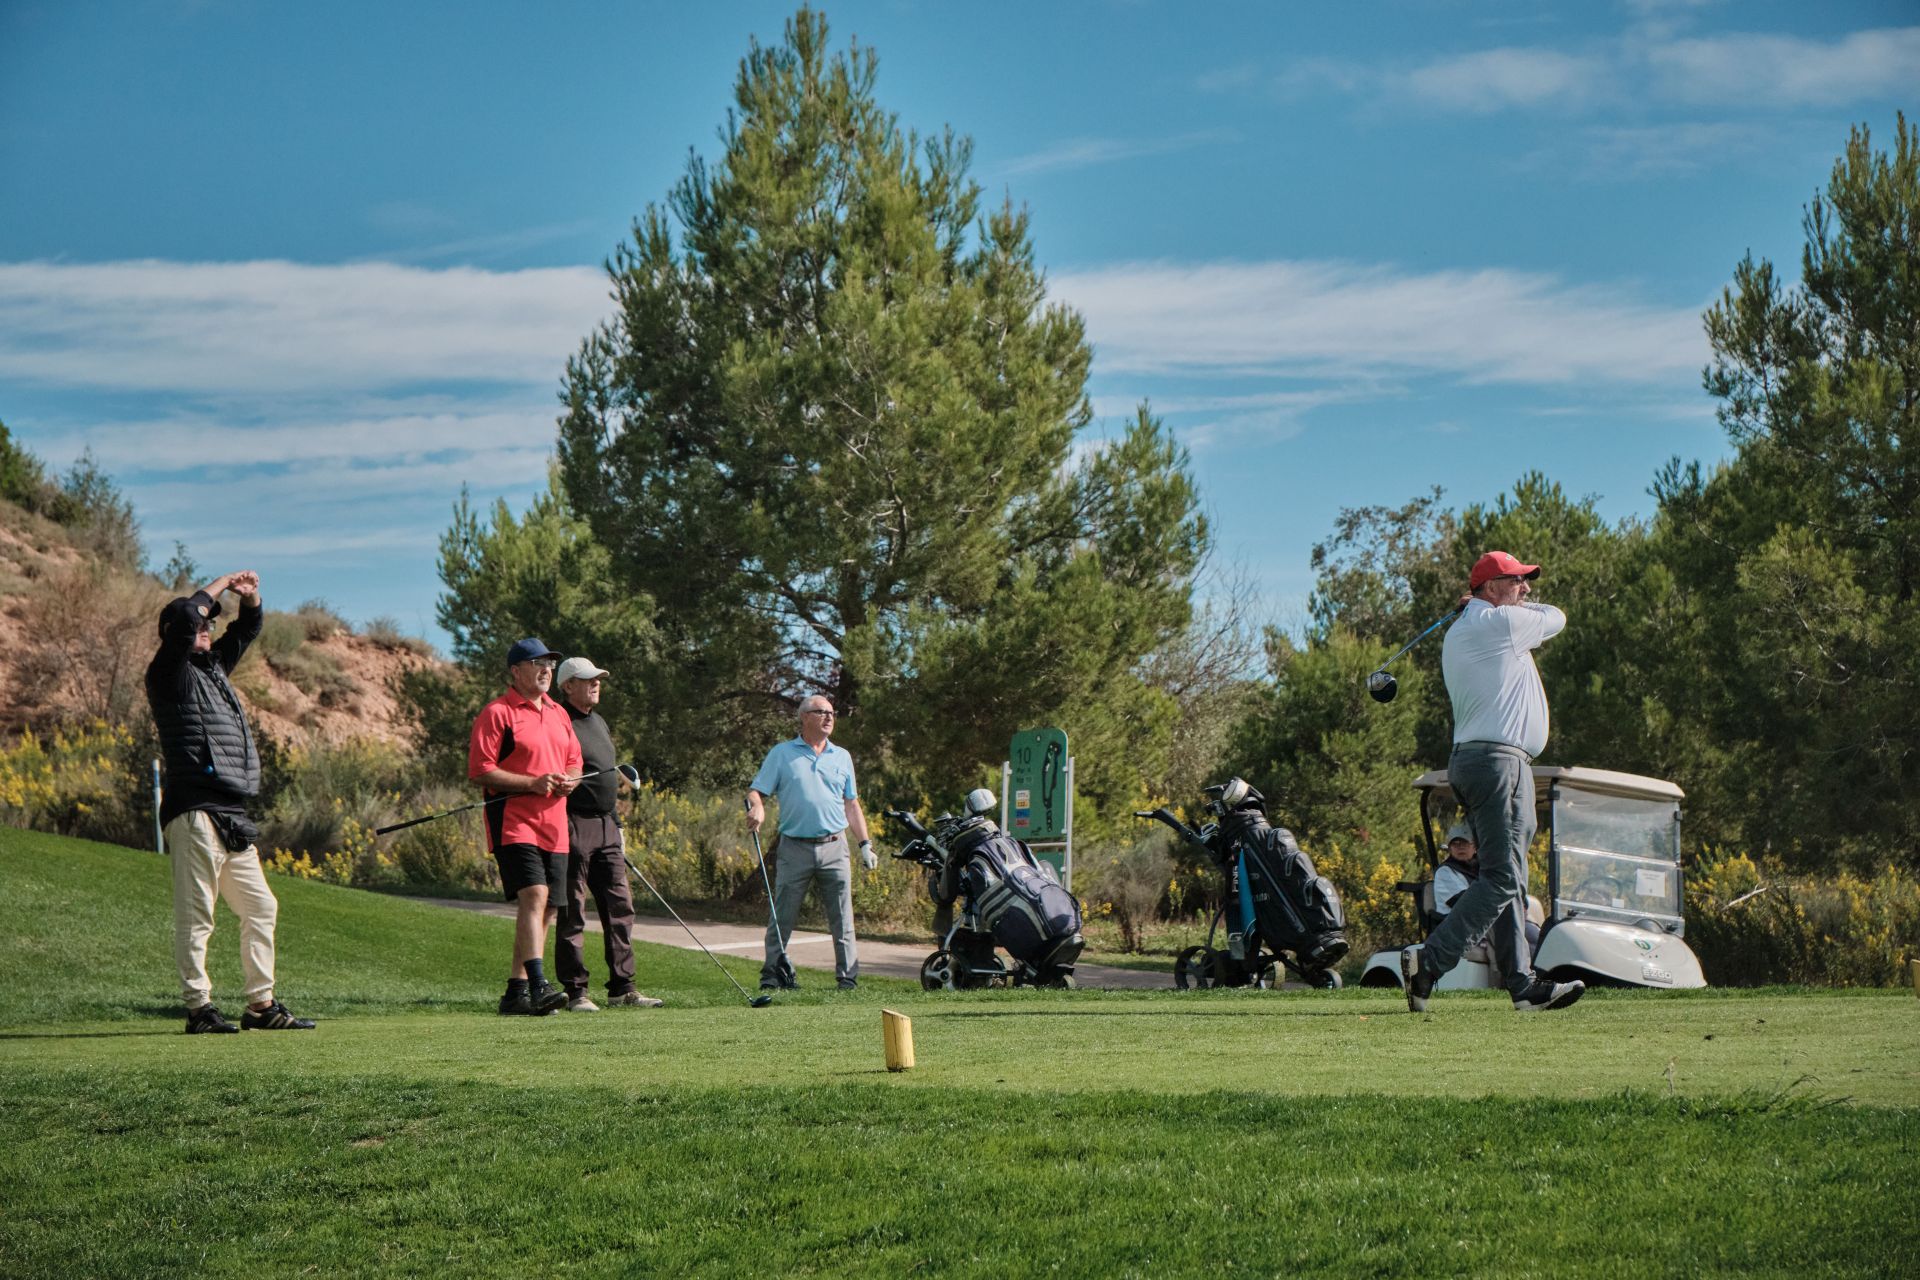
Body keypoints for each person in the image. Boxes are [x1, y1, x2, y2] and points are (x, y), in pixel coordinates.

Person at [1403, 550, 1584, 1014]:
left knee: (1512, 878)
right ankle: (1429, 961)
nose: (1525, 589)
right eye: (1516, 581)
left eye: (1525, 581)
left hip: (1489, 760)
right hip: (1496, 761)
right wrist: (1511, 611)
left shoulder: (1479, 626)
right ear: (1490, 588)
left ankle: (1522, 985)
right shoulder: (1499, 626)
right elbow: (1558, 617)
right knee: (1503, 877)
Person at [146, 571, 314, 1034]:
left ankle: (261, 1006)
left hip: (231, 814)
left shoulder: (214, 669)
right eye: (202, 626)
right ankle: (199, 1008)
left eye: (210, 627)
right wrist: (220, 582)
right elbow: (184, 612)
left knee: (261, 907)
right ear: (176, 634)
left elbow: (249, 628)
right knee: (198, 915)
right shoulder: (168, 672)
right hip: (194, 810)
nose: (208, 630)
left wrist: (251, 595)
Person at [468, 637, 581, 1016]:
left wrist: (570, 780)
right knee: (533, 894)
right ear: (516, 671)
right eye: (537, 663)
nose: (546, 670)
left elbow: (574, 762)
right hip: (514, 821)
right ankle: (539, 984)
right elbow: (480, 769)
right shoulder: (497, 712)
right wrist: (530, 782)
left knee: (548, 908)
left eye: (550, 663)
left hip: (555, 823)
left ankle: (515, 993)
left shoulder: (558, 713)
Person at [552, 656, 663, 1012]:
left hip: (606, 825)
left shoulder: (598, 721)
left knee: (620, 906)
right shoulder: (557, 720)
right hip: (571, 822)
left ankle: (622, 987)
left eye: (598, 678)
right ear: (568, 685)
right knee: (573, 910)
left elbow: (606, 776)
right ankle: (576, 991)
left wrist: (616, 823)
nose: (596, 683)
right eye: (588, 679)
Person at [745, 694, 875, 991]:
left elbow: (851, 805)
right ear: (804, 717)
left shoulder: (841, 756)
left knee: (842, 918)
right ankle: (772, 975)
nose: (829, 717)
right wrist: (758, 807)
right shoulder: (782, 753)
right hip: (795, 847)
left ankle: (847, 980)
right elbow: (756, 792)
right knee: (783, 915)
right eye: (821, 712)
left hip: (835, 846)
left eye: (832, 712)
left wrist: (864, 843)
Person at [1431, 821, 1541, 954]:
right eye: (1455, 844)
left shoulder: (1481, 868)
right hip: (1461, 927)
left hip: (1484, 923)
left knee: (1534, 933)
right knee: (1514, 935)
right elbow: (1465, 904)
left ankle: (1541, 973)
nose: (1460, 847)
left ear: (1474, 846)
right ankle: (1508, 974)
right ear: (1449, 848)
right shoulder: (1445, 872)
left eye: (1465, 843)